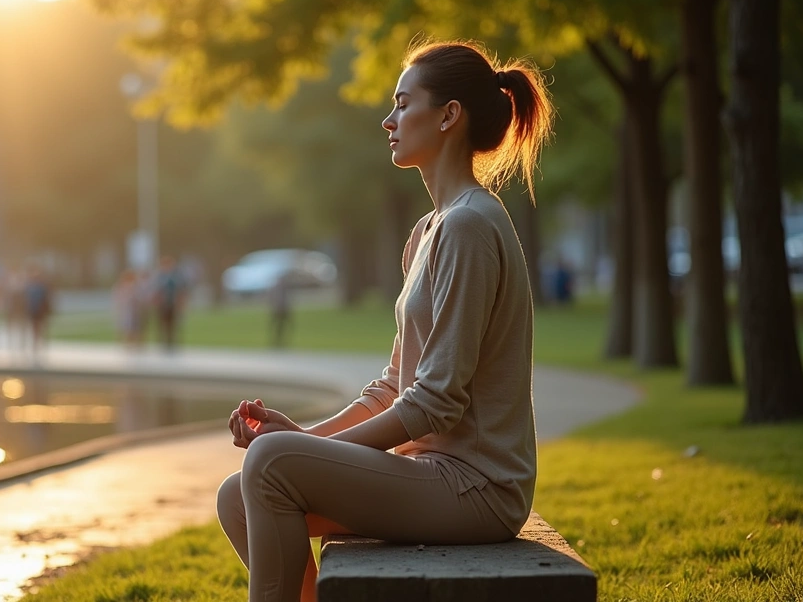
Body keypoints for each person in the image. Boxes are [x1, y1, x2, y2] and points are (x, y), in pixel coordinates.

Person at [216, 40, 554, 602]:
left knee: (271, 464)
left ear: (448, 115)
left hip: (478, 488)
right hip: (431, 474)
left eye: (402, 103)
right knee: (241, 491)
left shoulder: (470, 226)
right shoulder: (428, 231)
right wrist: (305, 439)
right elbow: (396, 384)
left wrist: (305, 454)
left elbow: (435, 402)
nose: (387, 119)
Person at [153, 255, 187, 351]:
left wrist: (181, 302)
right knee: (162, 324)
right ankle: (162, 344)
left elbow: (181, 290)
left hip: (173, 303)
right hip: (163, 304)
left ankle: (172, 343)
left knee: (173, 324)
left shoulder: (176, 276)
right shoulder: (159, 276)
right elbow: (156, 290)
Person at [23, 264, 53, 358]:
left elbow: (47, 299)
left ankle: (42, 345)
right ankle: (35, 346)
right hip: (33, 311)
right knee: (34, 329)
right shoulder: (29, 286)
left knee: (42, 328)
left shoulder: (42, 286)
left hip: (41, 311)